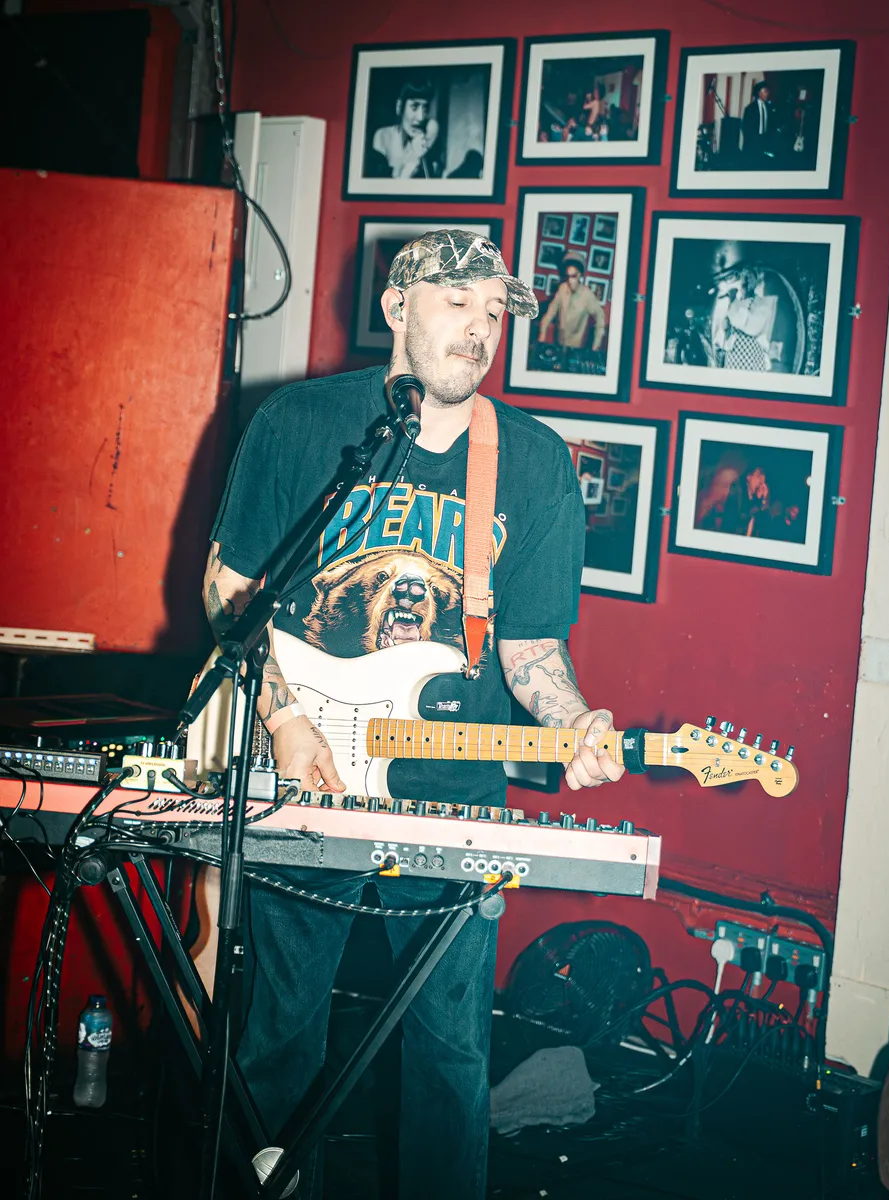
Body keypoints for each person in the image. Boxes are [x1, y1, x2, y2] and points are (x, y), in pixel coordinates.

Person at [202, 229, 624, 1200]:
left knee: (449, 1051)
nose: (480, 329)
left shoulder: (530, 462)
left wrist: (572, 719)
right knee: (279, 1035)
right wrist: (283, 721)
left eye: (495, 313)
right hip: (303, 774)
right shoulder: (301, 424)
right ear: (397, 307)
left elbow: (530, 651)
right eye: (457, 302)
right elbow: (229, 589)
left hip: (449, 794)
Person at [537, 256, 607, 371]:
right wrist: (542, 333)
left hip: (577, 348)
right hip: (559, 343)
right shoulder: (562, 289)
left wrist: (595, 346)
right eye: (567, 276)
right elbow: (550, 313)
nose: (570, 281)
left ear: (580, 275)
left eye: (573, 276)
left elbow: (600, 319)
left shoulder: (587, 295)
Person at [367, 79, 443, 179]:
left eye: (425, 108)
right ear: (399, 106)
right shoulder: (383, 136)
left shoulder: (428, 128)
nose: (420, 117)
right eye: (414, 107)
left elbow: (433, 127)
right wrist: (413, 156)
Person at [741, 79, 777, 166]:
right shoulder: (750, 108)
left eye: (767, 91)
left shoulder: (768, 107)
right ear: (759, 93)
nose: (768, 93)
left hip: (764, 140)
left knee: (761, 164)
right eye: (765, 91)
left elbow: (770, 124)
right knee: (751, 164)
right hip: (753, 141)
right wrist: (751, 140)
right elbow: (745, 127)